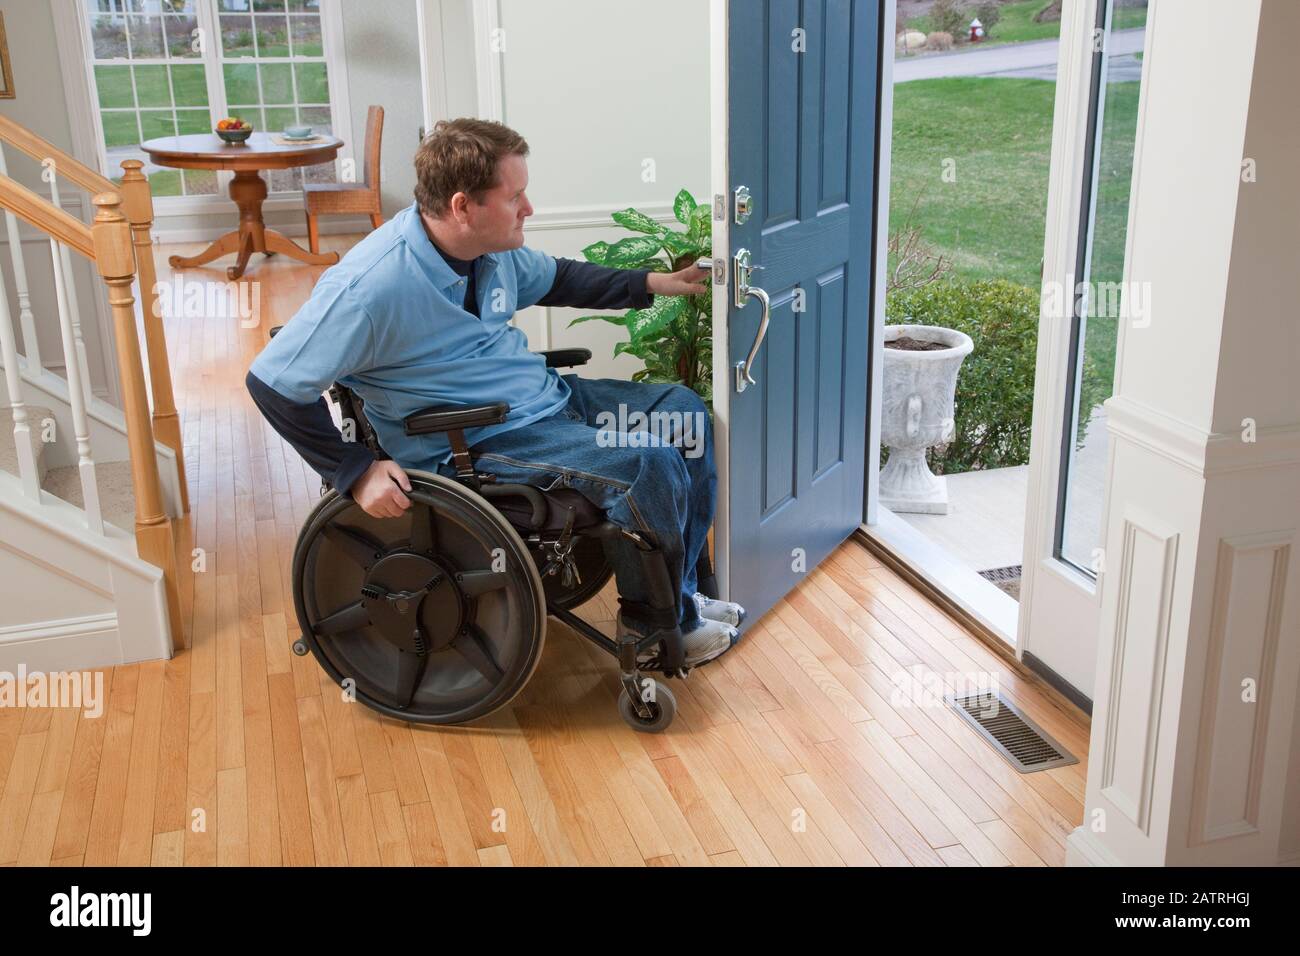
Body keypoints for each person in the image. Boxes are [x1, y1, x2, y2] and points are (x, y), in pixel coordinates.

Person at [247, 117, 744, 666]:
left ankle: (686, 598)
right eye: (515, 196)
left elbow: (558, 278)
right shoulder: (371, 286)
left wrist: (655, 284)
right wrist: (354, 470)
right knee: (648, 463)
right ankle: (656, 630)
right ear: (463, 206)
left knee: (681, 412)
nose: (528, 208)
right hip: (476, 437)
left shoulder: (490, 250)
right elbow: (271, 382)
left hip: (547, 403)